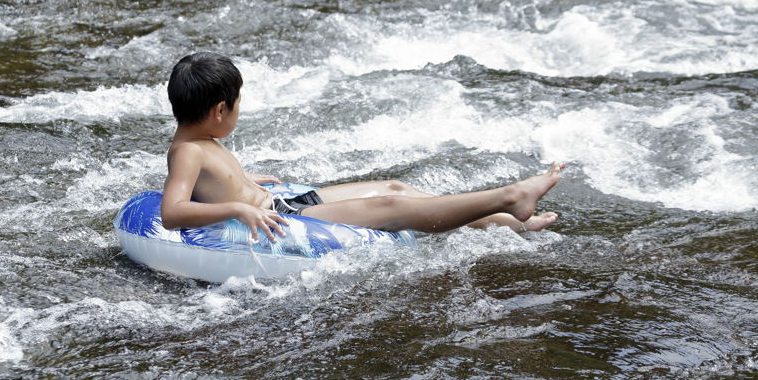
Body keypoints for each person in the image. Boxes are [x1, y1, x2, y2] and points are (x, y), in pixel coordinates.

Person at [160, 51, 564, 242]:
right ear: (218, 110)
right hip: (288, 224)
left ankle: (514, 222)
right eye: (238, 104)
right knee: (392, 210)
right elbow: (173, 213)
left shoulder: (202, 140)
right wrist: (236, 204)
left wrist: (240, 180)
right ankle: (510, 196)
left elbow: (210, 180)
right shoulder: (188, 152)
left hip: (283, 205)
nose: (239, 112)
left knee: (393, 188)